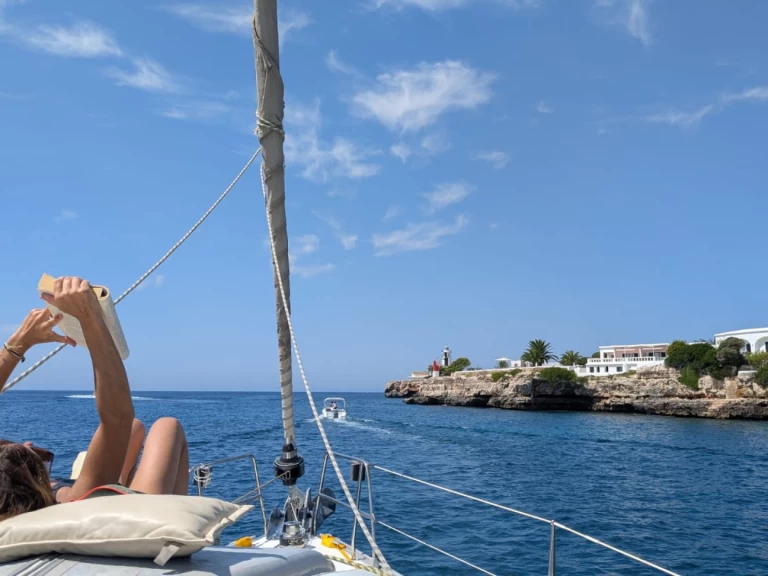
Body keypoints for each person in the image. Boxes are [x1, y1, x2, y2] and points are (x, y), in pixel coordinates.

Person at [0, 276, 189, 521]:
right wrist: (88, 317)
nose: (27, 443)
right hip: (135, 516)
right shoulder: (77, 501)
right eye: (36, 456)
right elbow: (116, 419)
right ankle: (176, 525)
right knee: (167, 427)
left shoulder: (17, 503)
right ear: (37, 484)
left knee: (134, 429)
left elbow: (122, 423)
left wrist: (20, 342)